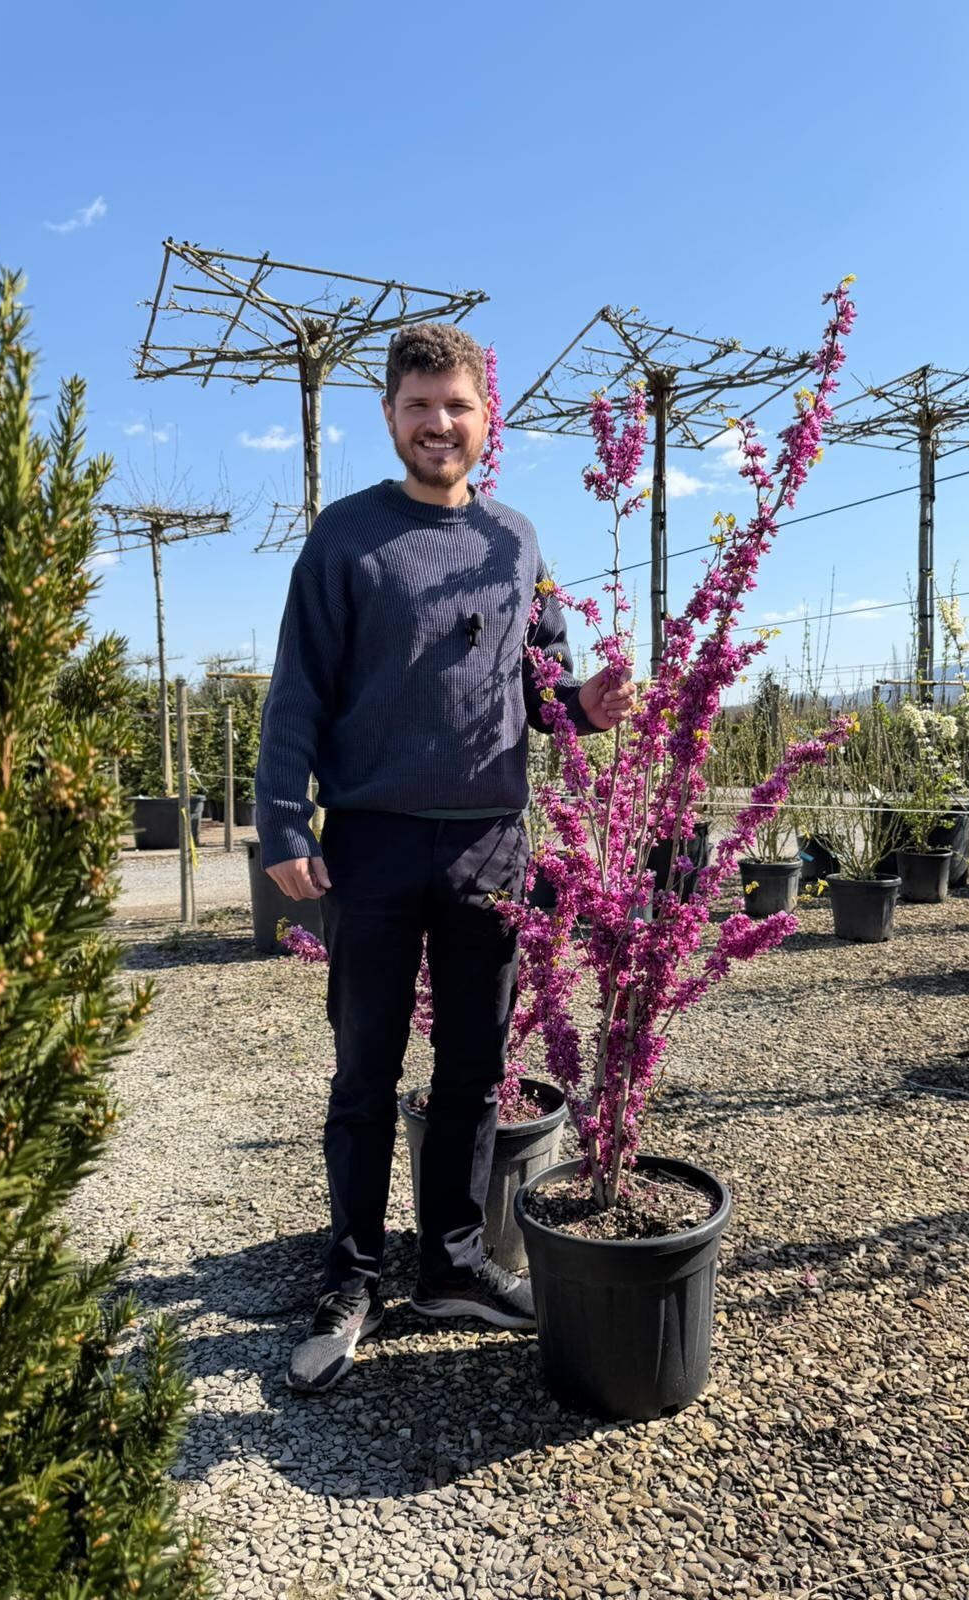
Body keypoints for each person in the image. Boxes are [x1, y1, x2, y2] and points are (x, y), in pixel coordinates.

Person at [254, 323, 637, 1393]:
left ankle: (455, 1266)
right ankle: (352, 1274)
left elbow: (542, 684)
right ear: (389, 415)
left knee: (475, 1067)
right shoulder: (345, 539)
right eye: (418, 405)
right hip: (372, 838)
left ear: (485, 417)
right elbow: (298, 692)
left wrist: (586, 706)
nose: (438, 424)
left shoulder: (518, 542)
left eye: (456, 406)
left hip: (488, 839)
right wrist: (283, 819)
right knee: (364, 1069)